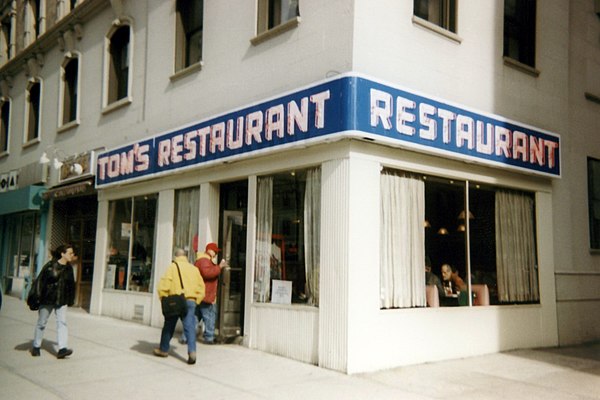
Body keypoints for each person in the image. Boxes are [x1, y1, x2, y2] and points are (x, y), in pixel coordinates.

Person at [155, 248, 205, 365]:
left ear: (175, 256)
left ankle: (163, 350)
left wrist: (163, 297)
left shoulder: (173, 267)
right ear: (186, 257)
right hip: (191, 301)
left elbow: (163, 285)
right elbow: (201, 287)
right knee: (190, 328)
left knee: (169, 326)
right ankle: (192, 352)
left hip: (176, 301)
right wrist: (196, 300)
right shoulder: (194, 269)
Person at [31, 244, 76, 359]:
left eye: (72, 253)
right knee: (42, 322)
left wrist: (70, 299)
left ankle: (62, 349)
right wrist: (36, 297)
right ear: (63, 254)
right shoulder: (50, 266)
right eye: (70, 253)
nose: (72, 255)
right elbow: (40, 282)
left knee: (62, 323)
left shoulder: (69, 268)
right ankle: (36, 346)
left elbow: (71, 285)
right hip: (47, 299)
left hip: (61, 300)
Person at [195, 242, 227, 345]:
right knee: (209, 316)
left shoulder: (202, 260)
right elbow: (207, 273)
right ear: (210, 250)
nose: (216, 254)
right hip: (206, 294)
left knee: (195, 316)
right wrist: (220, 267)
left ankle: (187, 336)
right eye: (215, 252)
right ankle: (209, 337)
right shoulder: (204, 260)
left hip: (201, 293)